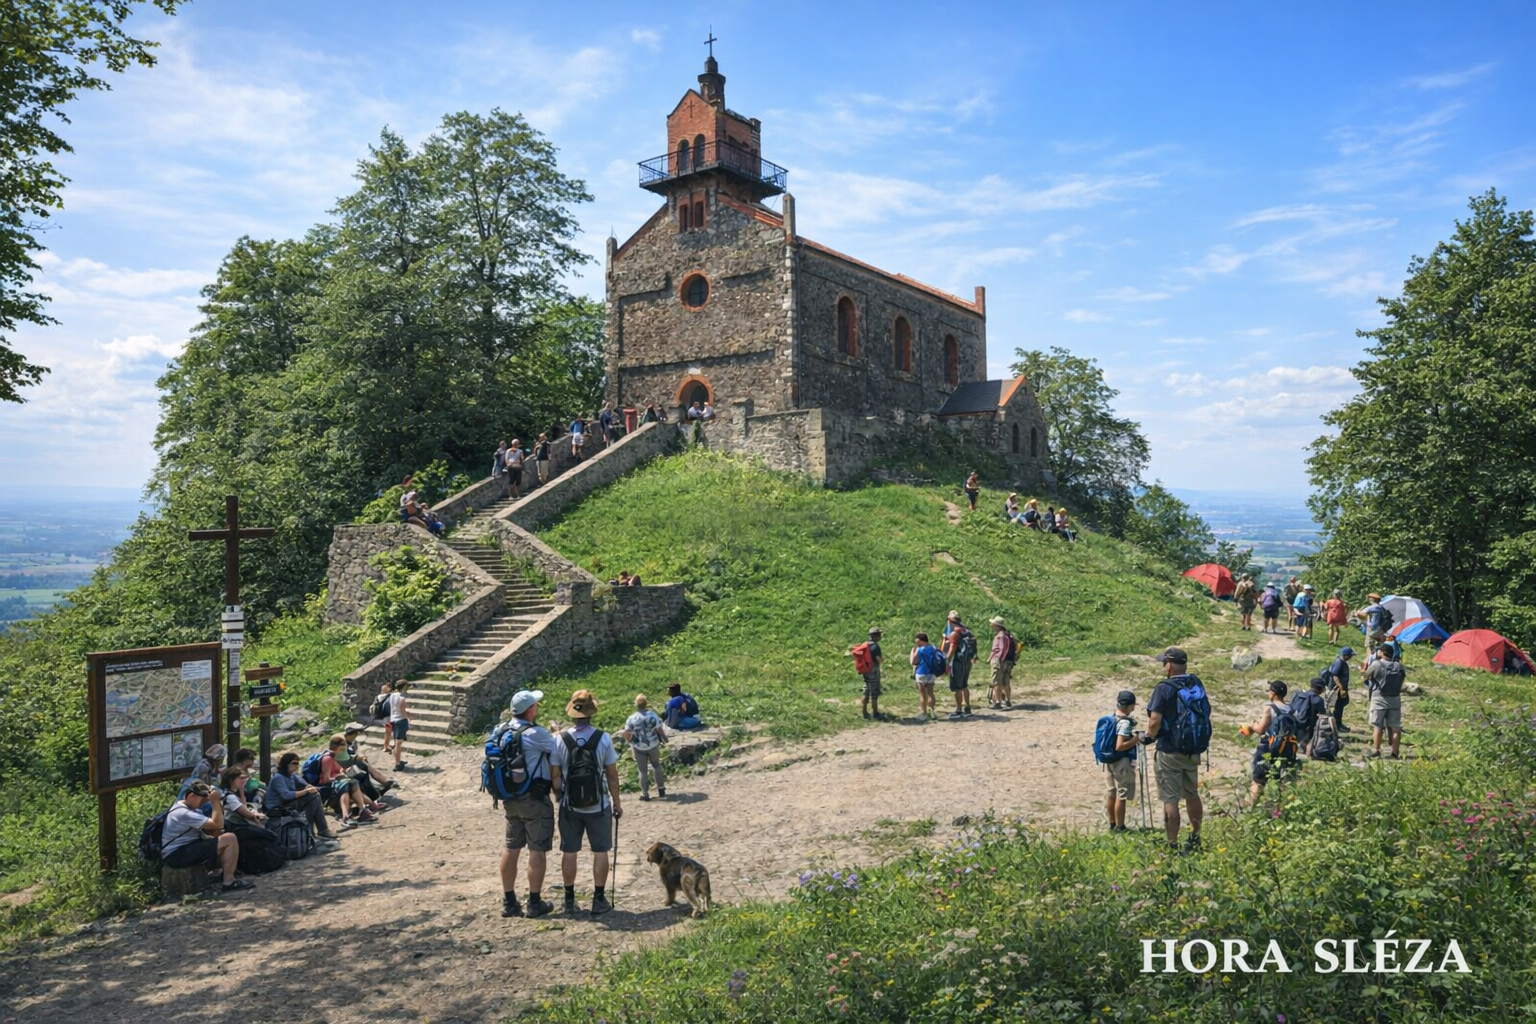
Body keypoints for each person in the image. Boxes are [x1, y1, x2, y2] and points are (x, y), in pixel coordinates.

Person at [552, 690, 624, 916]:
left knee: (569, 851)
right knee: (600, 851)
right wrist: (617, 802)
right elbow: (612, 775)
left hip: (570, 805)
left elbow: (554, 776)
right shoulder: (603, 738)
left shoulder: (559, 739)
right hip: (598, 804)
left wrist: (559, 796)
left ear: (572, 712)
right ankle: (599, 899)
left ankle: (570, 900)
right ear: (592, 711)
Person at [497, 689, 561, 919]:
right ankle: (534, 902)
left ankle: (509, 901)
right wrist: (557, 733)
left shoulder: (501, 730)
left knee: (511, 848)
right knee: (537, 849)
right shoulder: (536, 733)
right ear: (530, 709)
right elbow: (556, 751)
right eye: (536, 705)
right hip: (534, 798)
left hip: (510, 798)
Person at [1141, 646, 1206, 854]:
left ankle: (1171, 844)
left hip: (1170, 750)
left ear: (1169, 665)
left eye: (1163, 663)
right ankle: (1195, 837)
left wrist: (1148, 737)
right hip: (1193, 748)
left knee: (1170, 798)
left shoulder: (1164, 687)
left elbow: (1154, 720)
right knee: (1192, 794)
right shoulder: (1195, 682)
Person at [162, 780, 251, 892]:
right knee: (230, 838)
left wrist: (217, 803)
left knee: (221, 836)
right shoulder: (183, 812)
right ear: (191, 796)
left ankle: (218, 872)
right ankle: (229, 882)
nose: (205, 801)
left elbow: (216, 829)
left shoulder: (190, 809)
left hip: (183, 849)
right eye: (203, 798)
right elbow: (217, 824)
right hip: (176, 855)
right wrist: (215, 801)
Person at [264, 752, 342, 848]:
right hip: (278, 808)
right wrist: (306, 791)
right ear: (286, 764)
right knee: (312, 797)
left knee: (315, 795)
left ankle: (320, 830)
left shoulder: (291, 775)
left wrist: (309, 787)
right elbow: (286, 795)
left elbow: (303, 783)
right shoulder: (278, 778)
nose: (297, 766)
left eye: (298, 763)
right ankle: (315, 831)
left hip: (288, 803)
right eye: (294, 763)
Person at [1242, 680, 1299, 806]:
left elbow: (1261, 729)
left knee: (1258, 780)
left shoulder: (1269, 708)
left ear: (1273, 694)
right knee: (1283, 780)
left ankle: (1251, 808)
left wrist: (1252, 726)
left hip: (1268, 747)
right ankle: (1282, 808)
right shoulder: (1293, 710)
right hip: (1287, 748)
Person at [319, 735, 379, 828]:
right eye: (343, 744)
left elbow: (339, 770)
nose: (345, 746)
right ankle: (346, 817)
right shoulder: (327, 758)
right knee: (346, 785)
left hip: (338, 782)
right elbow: (326, 779)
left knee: (354, 782)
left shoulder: (335, 756)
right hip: (326, 787)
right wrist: (339, 776)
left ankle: (363, 810)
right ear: (336, 746)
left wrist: (343, 772)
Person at [1103, 690, 1140, 833]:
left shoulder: (1111, 718)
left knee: (1111, 793)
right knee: (1121, 795)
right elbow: (1119, 746)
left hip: (1108, 760)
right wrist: (1135, 739)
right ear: (1129, 706)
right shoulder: (1125, 722)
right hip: (1121, 762)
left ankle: (1112, 823)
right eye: (1133, 706)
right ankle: (1120, 826)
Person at [1364, 642, 1406, 758]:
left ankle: (1376, 750)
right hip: (1395, 699)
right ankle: (1395, 752)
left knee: (1378, 726)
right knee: (1396, 727)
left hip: (1379, 698)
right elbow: (1402, 679)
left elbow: (1366, 675)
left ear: (1382, 652)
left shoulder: (1377, 664)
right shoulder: (1398, 666)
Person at [623, 694, 668, 801]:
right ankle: (661, 789)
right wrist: (665, 738)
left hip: (638, 746)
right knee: (656, 766)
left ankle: (645, 794)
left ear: (636, 704)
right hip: (652, 744)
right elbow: (659, 728)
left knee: (642, 770)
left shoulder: (632, 718)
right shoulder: (652, 715)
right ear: (646, 703)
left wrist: (629, 741)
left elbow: (627, 732)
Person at [335, 725, 395, 802]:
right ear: (348, 734)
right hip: (345, 770)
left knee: (365, 764)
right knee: (361, 767)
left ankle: (384, 782)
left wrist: (361, 756)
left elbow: (357, 750)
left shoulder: (352, 742)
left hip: (354, 765)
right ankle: (375, 791)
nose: (355, 736)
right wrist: (355, 758)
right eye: (354, 734)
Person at [942, 611, 975, 719]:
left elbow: (952, 648)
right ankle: (968, 707)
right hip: (967, 661)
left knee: (957, 687)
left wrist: (946, 661)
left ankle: (959, 710)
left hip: (957, 662)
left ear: (950, 620)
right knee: (964, 685)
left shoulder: (954, 633)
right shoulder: (966, 631)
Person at [854, 628, 883, 720]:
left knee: (866, 690)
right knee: (874, 692)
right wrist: (882, 660)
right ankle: (875, 713)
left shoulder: (865, 645)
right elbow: (879, 659)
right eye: (878, 634)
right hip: (873, 670)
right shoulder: (875, 647)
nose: (880, 636)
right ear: (875, 636)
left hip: (865, 670)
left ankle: (864, 712)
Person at [910, 631, 940, 720]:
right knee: (931, 692)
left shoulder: (920, 649)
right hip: (931, 672)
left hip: (921, 672)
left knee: (923, 694)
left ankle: (924, 713)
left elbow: (914, 661)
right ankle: (932, 712)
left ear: (921, 640)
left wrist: (914, 651)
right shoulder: (933, 648)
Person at [1324, 646, 1355, 732]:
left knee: (1342, 704)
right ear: (1345, 655)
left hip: (1341, 688)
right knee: (1337, 706)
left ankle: (1338, 723)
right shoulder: (1339, 662)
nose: (1351, 657)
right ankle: (1336, 725)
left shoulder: (1342, 662)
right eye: (1350, 655)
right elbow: (1335, 676)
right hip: (1336, 689)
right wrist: (1341, 688)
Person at [1296, 676, 1329, 756]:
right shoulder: (1318, 700)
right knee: (1308, 741)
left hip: (1296, 722)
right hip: (1308, 725)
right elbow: (1323, 714)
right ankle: (1307, 752)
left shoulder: (1300, 695)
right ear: (1321, 688)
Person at [987, 616, 1014, 710]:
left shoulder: (1001, 635)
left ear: (997, 625)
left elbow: (1002, 649)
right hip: (1002, 660)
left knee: (996, 681)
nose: (991, 625)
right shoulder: (1005, 634)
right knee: (1005, 681)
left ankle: (997, 702)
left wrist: (999, 659)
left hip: (998, 660)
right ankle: (1007, 701)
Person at [389, 681, 411, 770]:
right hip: (400, 720)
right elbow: (402, 710)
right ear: (404, 687)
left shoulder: (392, 695)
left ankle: (398, 760)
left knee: (396, 742)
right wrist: (408, 717)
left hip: (393, 720)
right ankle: (397, 764)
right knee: (398, 743)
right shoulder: (401, 698)